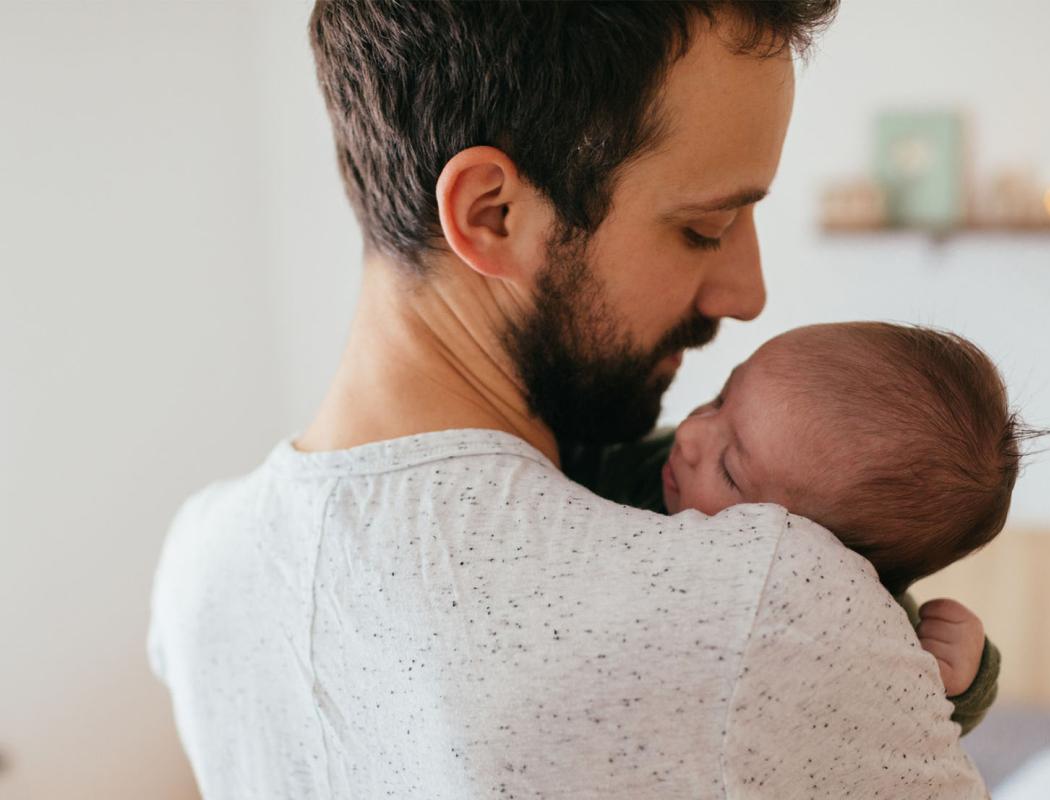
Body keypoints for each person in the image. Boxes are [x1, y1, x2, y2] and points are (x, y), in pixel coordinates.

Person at [148, 3, 991, 797]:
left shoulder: (197, 565)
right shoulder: (771, 599)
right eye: (703, 226)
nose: (748, 292)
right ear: (491, 213)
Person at [568, 321, 1024, 722]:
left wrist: (963, 680)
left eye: (729, 469)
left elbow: (897, 711)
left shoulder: (849, 616)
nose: (689, 433)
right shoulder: (644, 462)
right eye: (719, 399)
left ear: (819, 562)